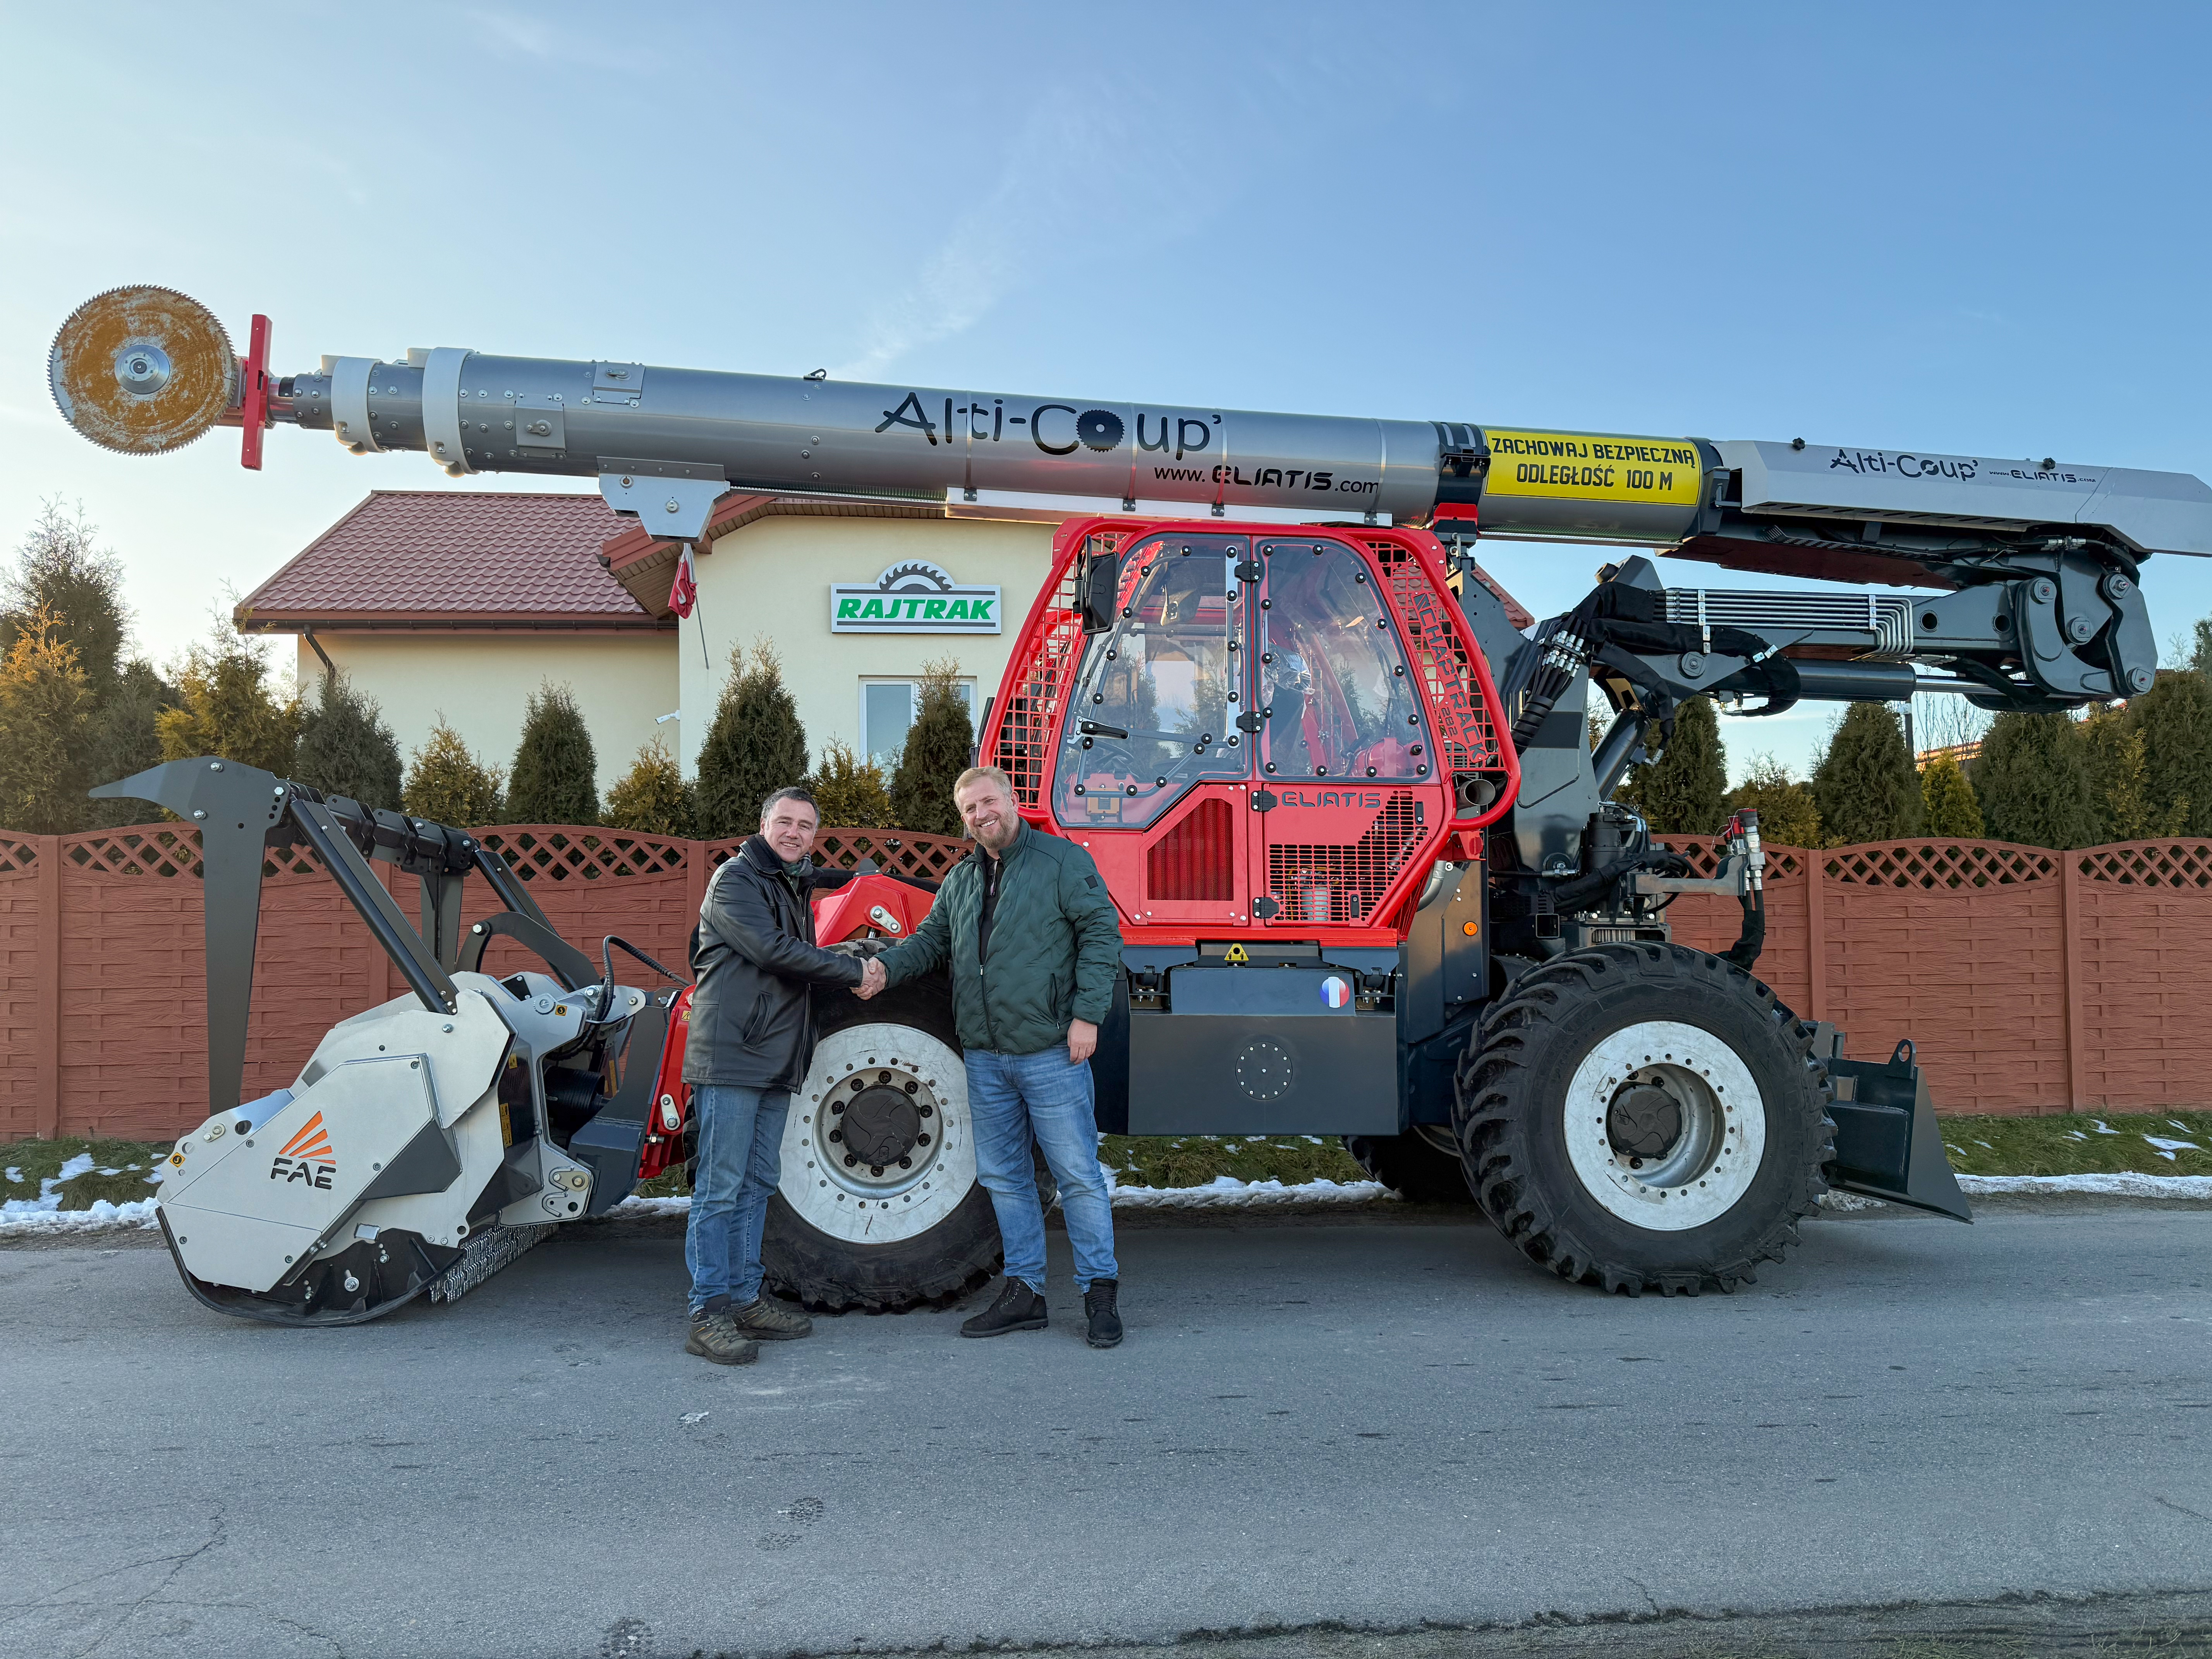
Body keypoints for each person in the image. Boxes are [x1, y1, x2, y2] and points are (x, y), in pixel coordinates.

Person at [864, 764, 1127, 1348]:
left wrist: (1087, 1016)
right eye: (969, 811)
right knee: (1006, 1180)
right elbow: (932, 943)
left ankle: (1100, 1296)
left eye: (988, 802)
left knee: (1078, 1176)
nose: (982, 816)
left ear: (1011, 799)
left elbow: (1102, 935)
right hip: (985, 1058)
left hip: (1051, 1052)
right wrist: (883, 969)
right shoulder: (961, 880)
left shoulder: (1062, 863)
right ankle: (1026, 1293)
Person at [682, 785, 886, 1365]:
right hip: (732, 1057)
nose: (794, 833)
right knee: (719, 1190)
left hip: (773, 1059)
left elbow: (801, 934)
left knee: (757, 1183)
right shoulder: (737, 880)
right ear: (764, 824)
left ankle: (746, 1298)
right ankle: (707, 1311)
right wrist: (853, 970)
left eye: (805, 826)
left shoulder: (789, 883)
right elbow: (772, 951)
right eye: (785, 822)